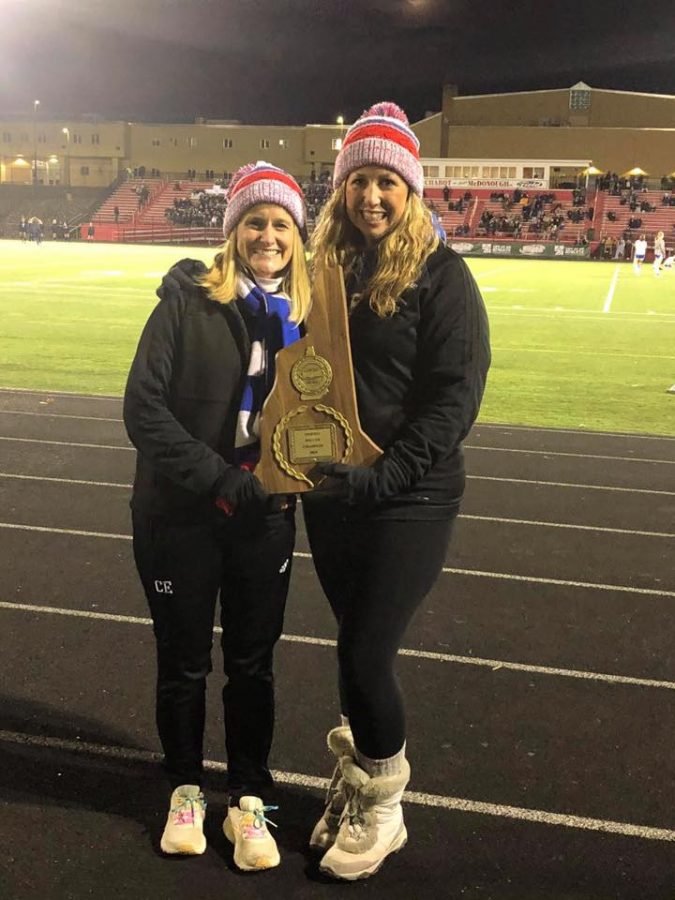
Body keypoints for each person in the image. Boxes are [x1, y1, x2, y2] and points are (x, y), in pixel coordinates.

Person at [302, 102, 491, 881]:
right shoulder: (325, 269)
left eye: (386, 181)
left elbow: (454, 399)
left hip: (408, 495)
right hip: (335, 491)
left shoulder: (442, 275)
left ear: (410, 190)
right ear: (340, 187)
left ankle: (384, 806)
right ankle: (355, 785)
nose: (370, 196)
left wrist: (383, 475)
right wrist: (194, 288)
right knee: (352, 656)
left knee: (365, 651)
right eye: (358, 181)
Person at [123, 161, 311, 871]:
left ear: (297, 236)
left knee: (253, 665)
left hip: (265, 515)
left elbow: (324, 417)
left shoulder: (307, 316)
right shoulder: (184, 301)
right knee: (183, 663)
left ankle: (248, 798)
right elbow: (142, 409)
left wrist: (301, 477)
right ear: (232, 233)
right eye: (254, 222)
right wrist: (217, 480)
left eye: (280, 224)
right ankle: (182, 787)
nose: (267, 235)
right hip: (180, 512)